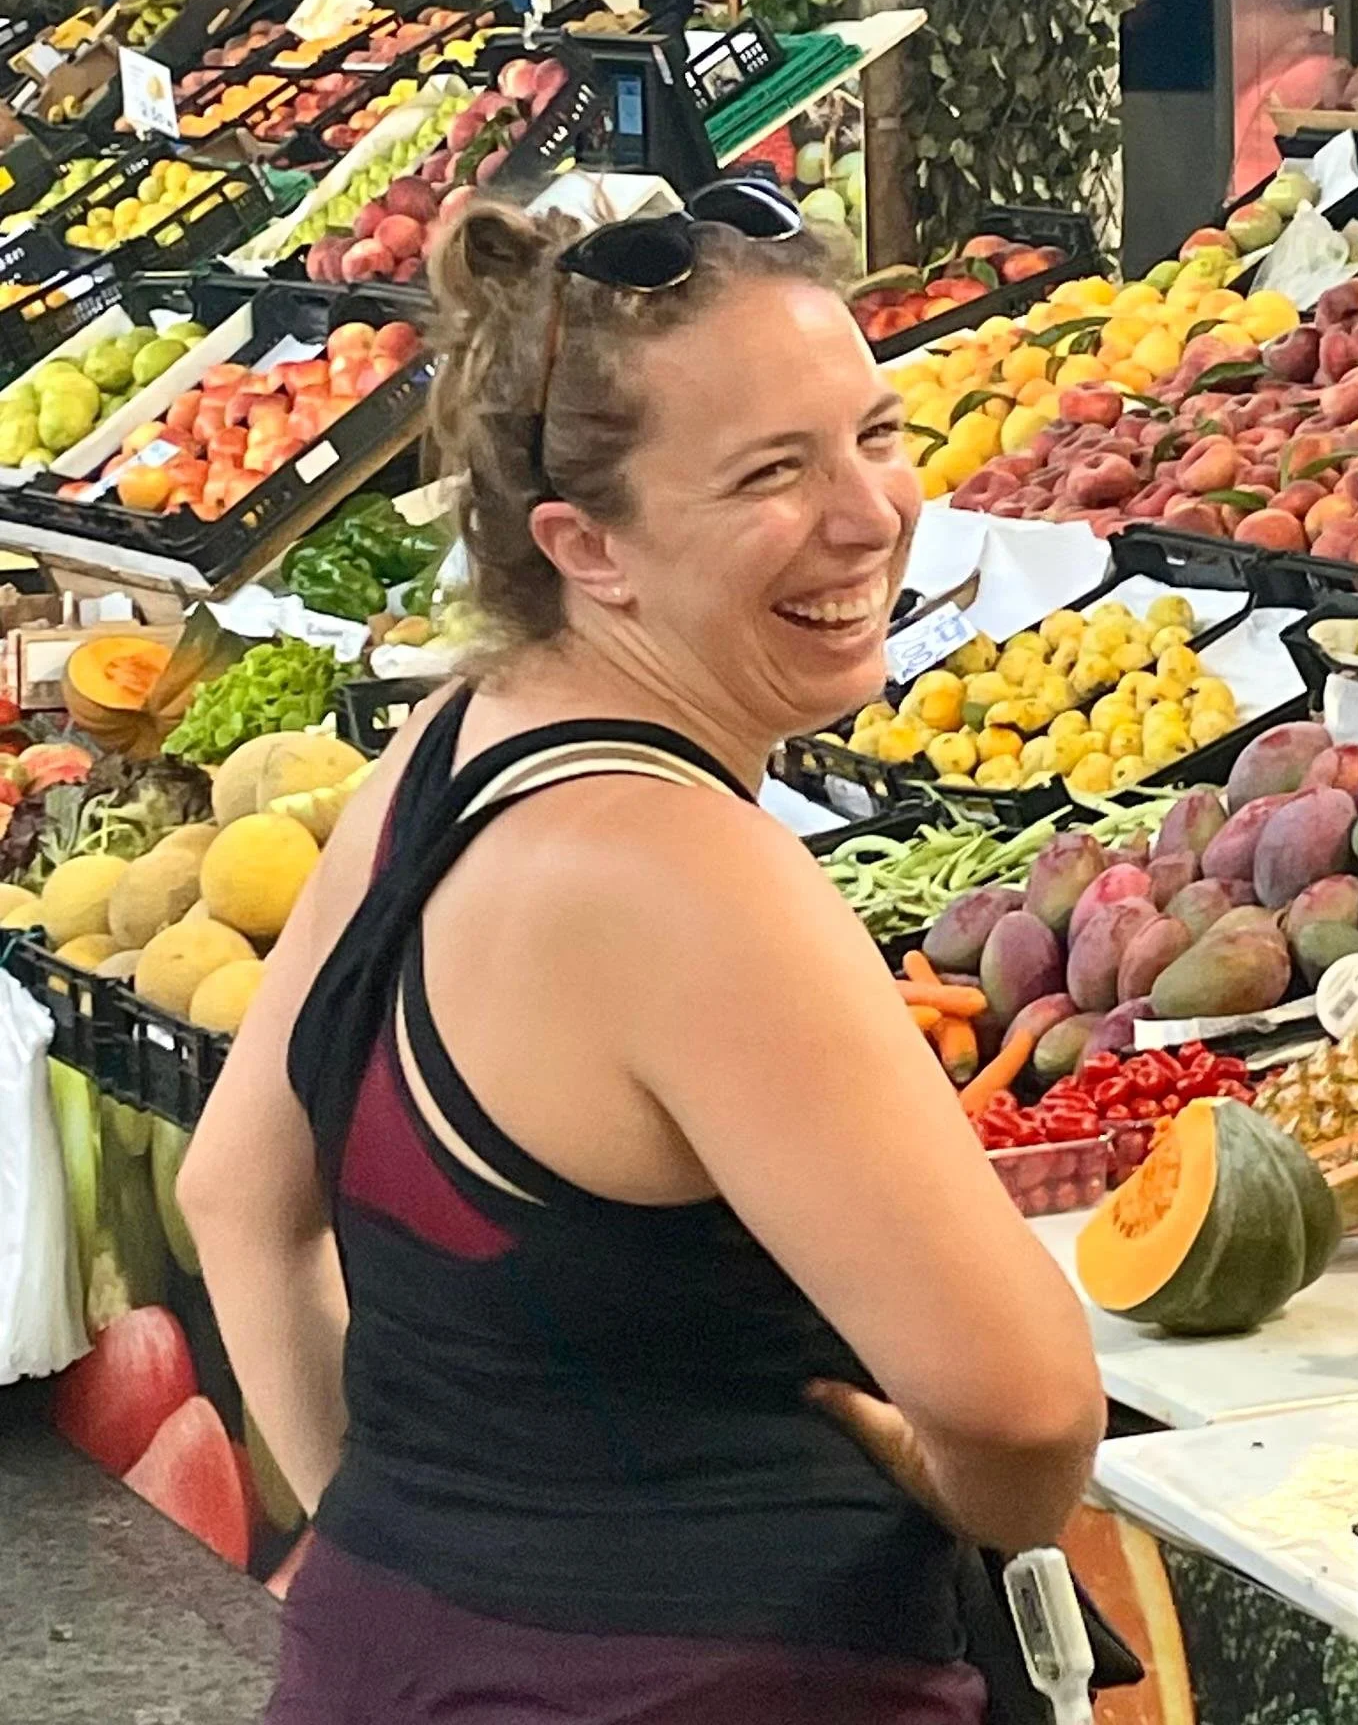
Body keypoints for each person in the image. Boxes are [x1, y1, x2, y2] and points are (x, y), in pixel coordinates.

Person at [180, 184, 1106, 1724]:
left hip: (385, 1661)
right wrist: (961, 1482)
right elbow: (1021, 1408)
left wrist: (428, 1549)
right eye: (771, 475)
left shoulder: (450, 748)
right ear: (585, 545)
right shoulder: (687, 874)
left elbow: (235, 1195)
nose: (871, 514)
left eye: (877, 433)